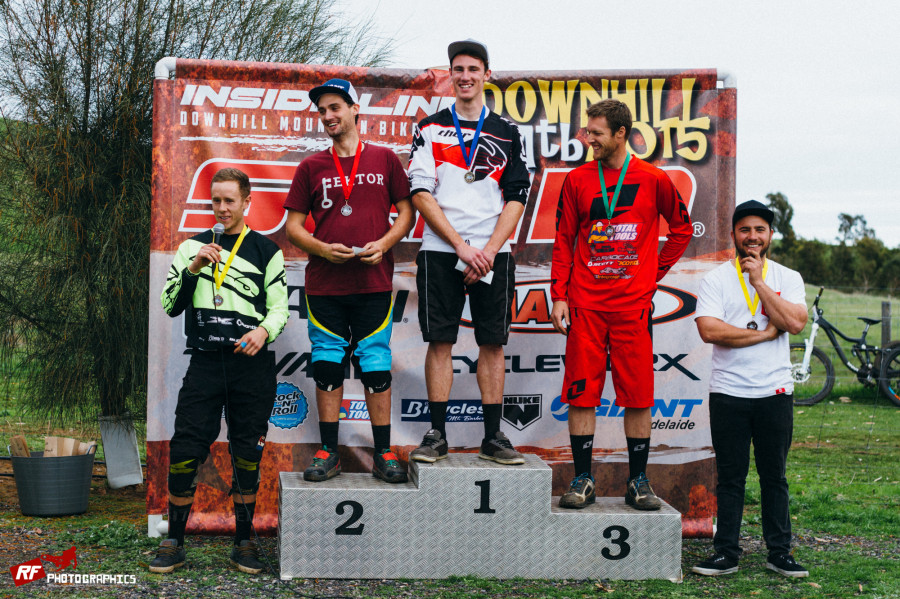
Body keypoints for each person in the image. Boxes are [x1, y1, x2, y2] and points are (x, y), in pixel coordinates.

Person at [550, 99, 692, 510]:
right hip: (586, 305)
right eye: (587, 131)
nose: (588, 139)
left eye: (595, 133)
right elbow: (563, 240)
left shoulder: (654, 179)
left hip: (633, 306)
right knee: (581, 394)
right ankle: (582, 480)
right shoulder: (576, 180)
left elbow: (681, 230)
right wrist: (560, 294)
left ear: (620, 134)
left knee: (638, 396)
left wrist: (653, 273)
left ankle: (638, 482)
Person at [152, 167, 290, 575]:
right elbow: (169, 304)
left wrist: (264, 331)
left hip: (251, 367)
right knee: (185, 450)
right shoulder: (191, 248)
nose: (222, 208)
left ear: (247, 202)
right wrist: (194, 267)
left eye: (230, 200)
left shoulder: (268, 251)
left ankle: (244, 541)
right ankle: (174, 539)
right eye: (216, 200)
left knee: (247, 453)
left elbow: (280, 308)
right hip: (206, 364)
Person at [406, 39, 531, 465]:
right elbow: (420, 192)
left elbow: (517, 196)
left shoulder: (509, 132)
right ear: (449, 74)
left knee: (492, 343)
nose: (464, 76)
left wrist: (489, 252)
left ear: (486, 75)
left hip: (494, 252)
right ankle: (436, 434)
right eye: (457, 69)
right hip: (442, 249)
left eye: (473, 69)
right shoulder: (428, 128)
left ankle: (493, 437)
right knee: (440, 340)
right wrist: (461, 246)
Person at [284, 78, 414, 484]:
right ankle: (329, 451)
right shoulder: (311, 167)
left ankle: (384, 452)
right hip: (325, 284)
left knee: (376, 368)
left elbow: (407, 215)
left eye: (335, 108)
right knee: (326, 366)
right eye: (322, 111)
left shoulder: (385, 159)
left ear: (355, 109)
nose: (327, 117)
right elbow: (292, 228)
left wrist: (385, 242)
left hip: (374, 281)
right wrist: (321, 249)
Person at [691, 200, 809, 578]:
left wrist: (759, 282)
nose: (752, 237)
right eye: (745, 230)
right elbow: (710, 331)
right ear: (733, 236)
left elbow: (794, 322)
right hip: (729, 392)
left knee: (774, 475)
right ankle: (726, 553)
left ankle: (779, 553)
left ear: (771, 235)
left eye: (760, 230)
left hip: (774, 392)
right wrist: (762, 336)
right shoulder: (716, 279)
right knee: (731, 477)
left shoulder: (787, 277)